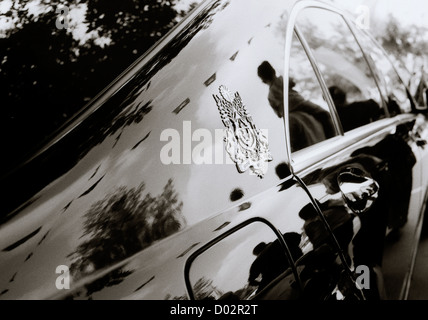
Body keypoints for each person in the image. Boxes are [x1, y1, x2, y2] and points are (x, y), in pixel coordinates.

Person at [257, 61, 336, 152]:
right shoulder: (281, 79)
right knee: (324, 114)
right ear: (273, 71)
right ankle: (333, 138)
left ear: (263, 80)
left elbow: (278, 114)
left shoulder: (270, 96)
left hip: (287, 114)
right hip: (300, 104)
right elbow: (293, 82)